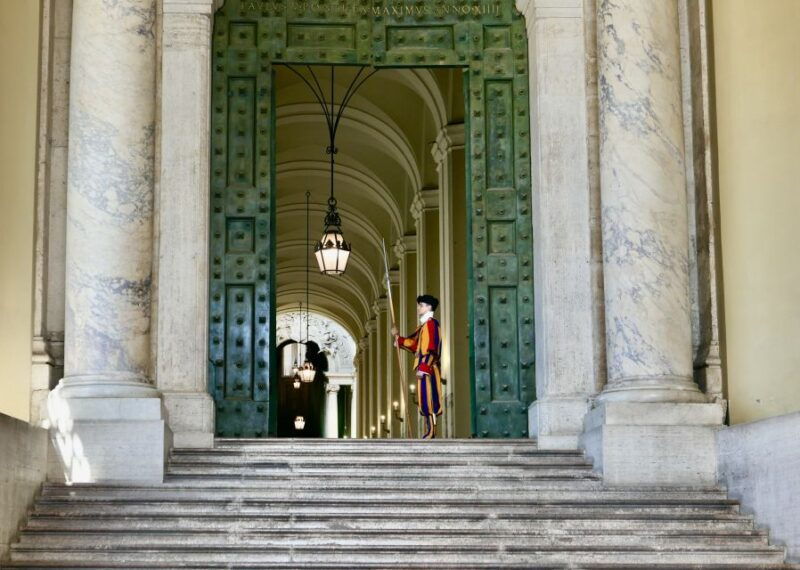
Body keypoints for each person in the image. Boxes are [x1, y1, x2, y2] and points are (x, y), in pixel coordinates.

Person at [391, 294, 443, 439]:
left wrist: (425, 367)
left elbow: (432, 348)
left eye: (421, 305)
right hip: (423, 368)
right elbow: (415, 345)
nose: (418, 308)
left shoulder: (431, 324)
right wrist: (398, 338)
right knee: (424, 401)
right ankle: (429, 430)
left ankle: (432, 431)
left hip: (429, 368)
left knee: (430, 400)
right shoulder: (424, 326)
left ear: (429, 307)